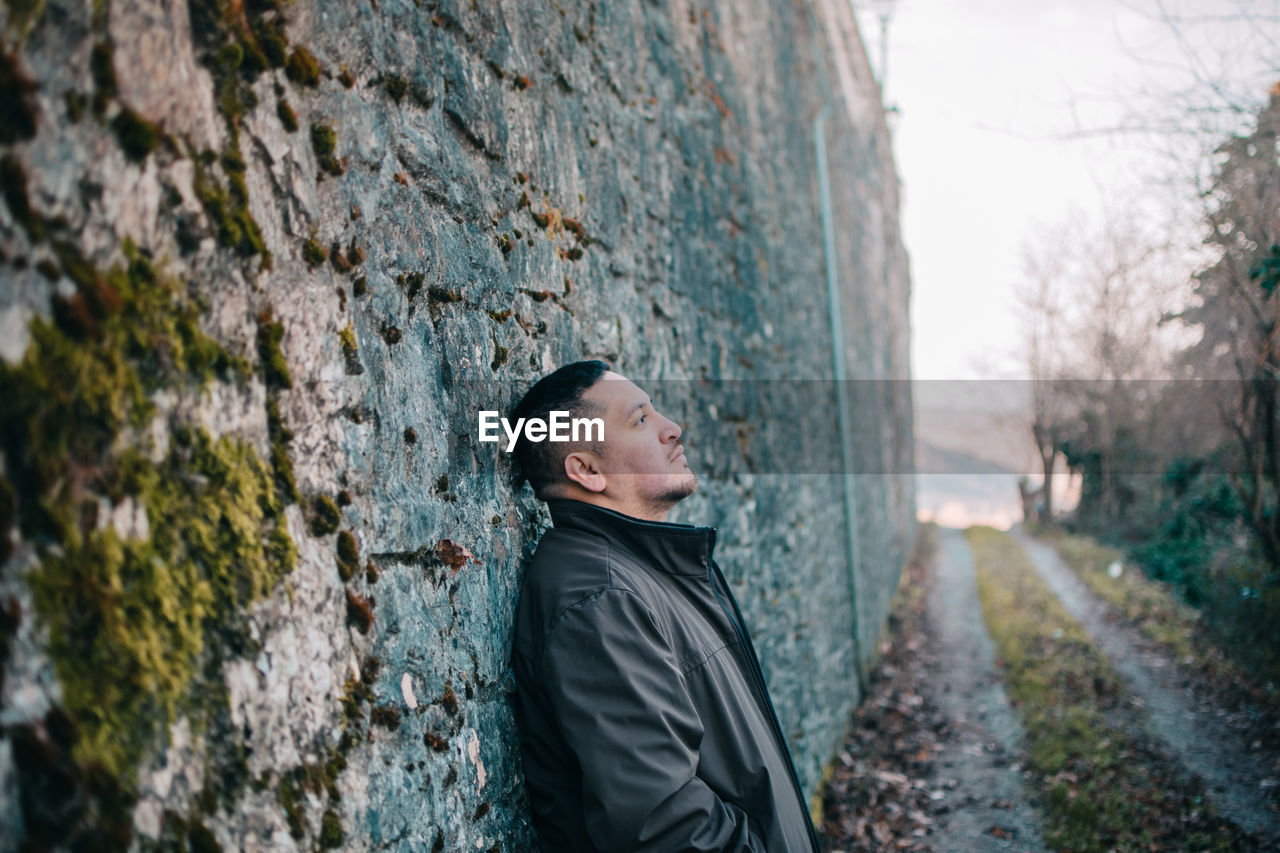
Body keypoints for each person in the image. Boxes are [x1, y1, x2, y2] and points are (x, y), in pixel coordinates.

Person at [508, 360, 822, 852]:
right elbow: (665, 826)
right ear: (587, 470)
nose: (672, 429)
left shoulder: (638, 575)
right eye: (641, 420)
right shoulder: (599, 598)